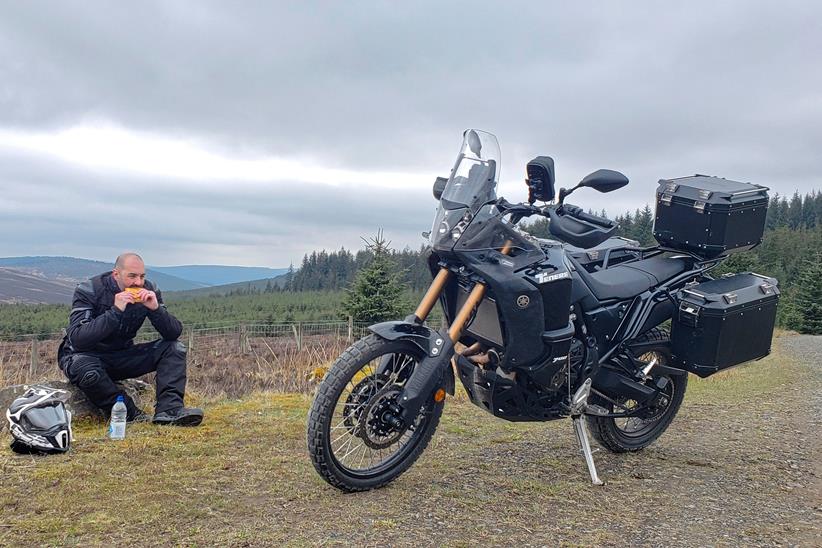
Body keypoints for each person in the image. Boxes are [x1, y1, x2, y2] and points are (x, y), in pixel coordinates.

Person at [57, 252, 203, 426]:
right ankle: (130, 414)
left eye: (142, 276)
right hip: (84, 357)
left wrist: (156, 310)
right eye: (132, 276)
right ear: (116, 274)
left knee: (174, 348)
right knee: (86, 368)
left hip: (122, 355)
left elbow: (173, 333)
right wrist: (115, 312)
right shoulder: (90, 290)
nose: (138, 282)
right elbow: (79, 339)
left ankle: (169, 411)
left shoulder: (149, 289)